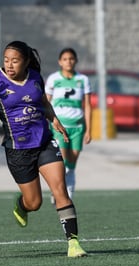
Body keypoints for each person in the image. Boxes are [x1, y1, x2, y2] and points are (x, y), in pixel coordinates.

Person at [0, 41, 87, 257]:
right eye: (6, 60)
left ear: (26, 61)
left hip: (44, 142)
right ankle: (22, 205)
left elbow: (43, 102)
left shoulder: (35, 77)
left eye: (15, 60)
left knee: (60, 189)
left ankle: (73, 244)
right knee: (34, 202)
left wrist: (54, 119)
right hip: (18, 149)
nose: (9, 64)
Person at [45, 48, 92, 201]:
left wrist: (88, 130)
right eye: (65, 59)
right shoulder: (53, 79)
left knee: (71, 165)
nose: (68, 62)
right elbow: (46, 103)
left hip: (78, 128)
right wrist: (46, 124)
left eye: (71, 59)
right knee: (63, 163)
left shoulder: (83, 80)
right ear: (60, 62)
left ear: (76, 60)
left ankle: (69, 195)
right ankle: (58, 193)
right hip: (60, 127)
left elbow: (88, 106)